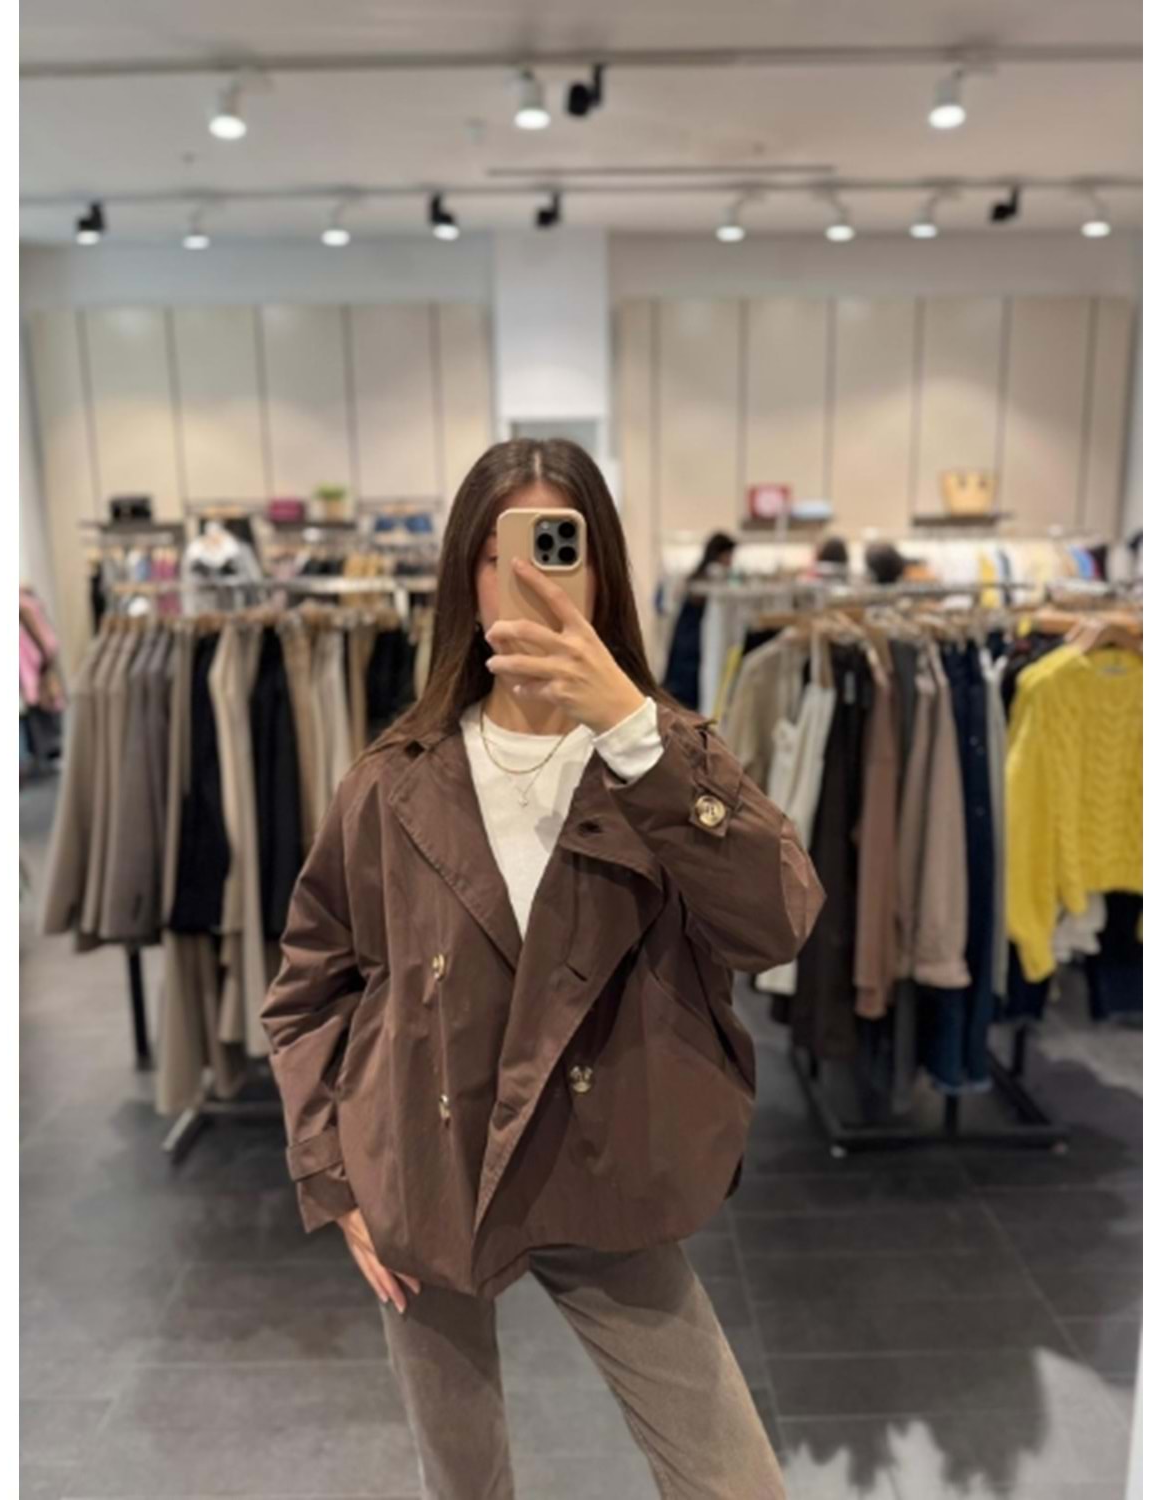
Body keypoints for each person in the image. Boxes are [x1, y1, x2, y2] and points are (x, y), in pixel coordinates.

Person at [261, 441, 823, 1499]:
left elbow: (778, 921)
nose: (525, 575)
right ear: (463, 578)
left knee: (733, 1482)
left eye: (557, 547)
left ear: (601, 570)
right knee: (462, 1484)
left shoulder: (667, 757)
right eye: (496, 553)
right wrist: (333, 1174)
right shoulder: (391, 781)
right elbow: (309, 989)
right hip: (426, 1173)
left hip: (608, 1170)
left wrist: (636, 735)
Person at [661, 531, 735, 708]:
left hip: (688, 650)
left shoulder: (698, 578)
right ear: (720, 554)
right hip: (692, 652)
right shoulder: (707, 581)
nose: (731, 561)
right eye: (729, 555)